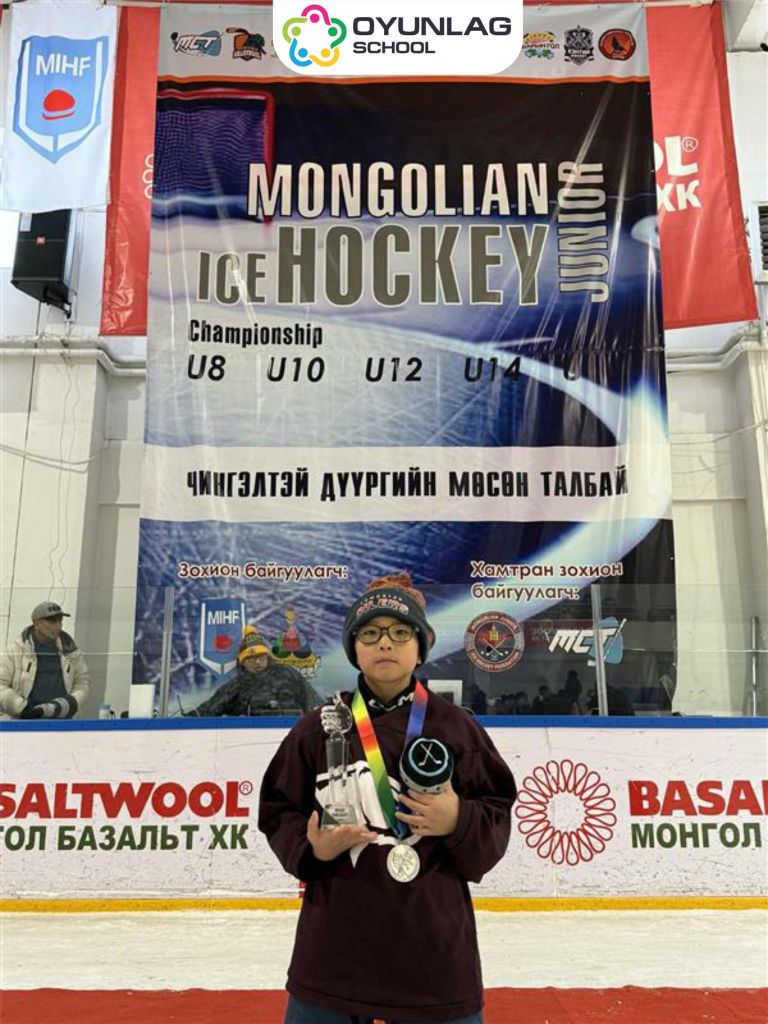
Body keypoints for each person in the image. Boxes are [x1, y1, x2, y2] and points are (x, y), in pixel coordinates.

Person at [259, 572, 517, 1024]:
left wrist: (458, 818)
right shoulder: (319, 728)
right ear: (354, 648)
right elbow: (278, 809)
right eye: (370, 633)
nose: (385, 643)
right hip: (334, 950)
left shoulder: (456, 727)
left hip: (433, 953)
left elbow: (496, 812)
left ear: (420, 647)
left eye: (401, 632)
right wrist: (311, 848)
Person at [188, 626, 319, 716]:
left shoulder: (288, 674)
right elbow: (207, 711)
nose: (257, 662)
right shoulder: (237, 686)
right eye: (251, 658)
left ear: (267, 656)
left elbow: (315, 705)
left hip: (292, 734)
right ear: (242, 662)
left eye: (261, 657)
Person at [0, 601, 90, 720]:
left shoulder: (71, 651)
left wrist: (67, 705)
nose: (58, 626)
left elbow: (82, 682)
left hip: (62, 721)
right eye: (52, 621)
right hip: (23, 722)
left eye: (60, 621)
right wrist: (22, 707)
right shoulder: (15, 651)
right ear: (36, 624)